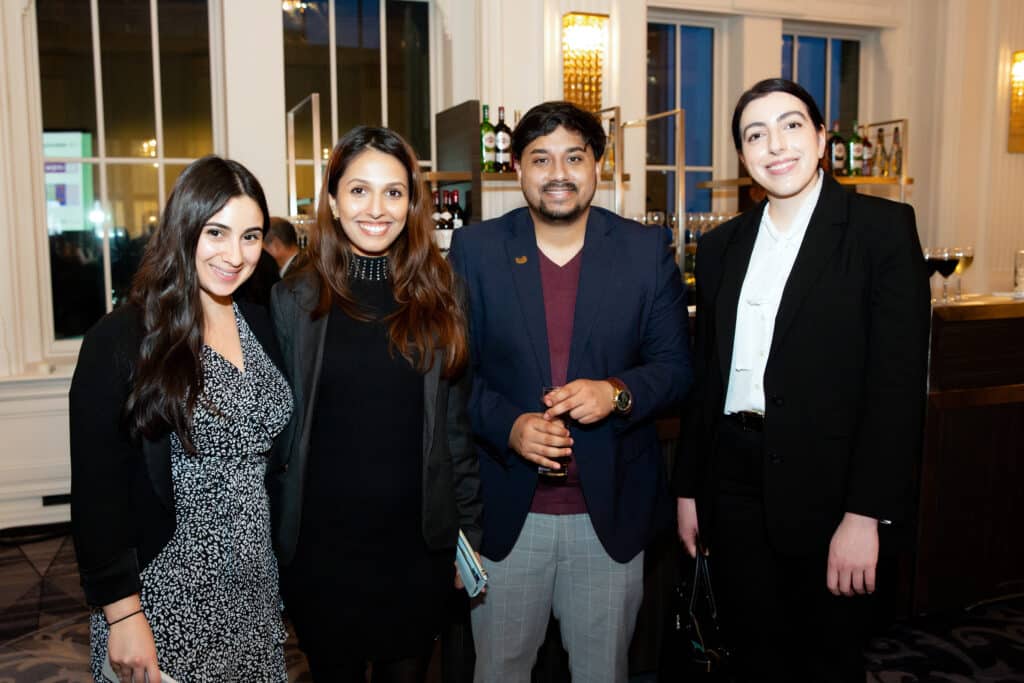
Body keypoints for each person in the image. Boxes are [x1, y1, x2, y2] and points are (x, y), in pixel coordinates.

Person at [673, 78, 930, 682]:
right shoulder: (720, 248)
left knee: (826, 659)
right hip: (732, 480)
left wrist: (866, 516)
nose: (775, 145)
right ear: (742, 155)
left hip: (831, 488)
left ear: (820, 139)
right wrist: (689, 489)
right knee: (750, 653)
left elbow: (895, 389)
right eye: (755, 134)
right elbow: (706, 382)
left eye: (791, 126)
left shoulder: (880, 231)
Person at [448, 101, 692, 683]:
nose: (558, 172)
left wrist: (617, 393)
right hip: (509, 516)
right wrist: (509, 426)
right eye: (541, 158)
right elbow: (453, 376)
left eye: (574, 157)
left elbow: (676, 368)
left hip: (608, 519)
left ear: (599, 166)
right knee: (499, 672)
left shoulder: (643, 250)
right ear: (516, 167)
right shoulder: (476, 251)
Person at [268, 126, 482, 683]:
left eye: (393, 192)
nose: (377, 208)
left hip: (414, 551)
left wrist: (469, 537)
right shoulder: (295, 297)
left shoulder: (442, 291)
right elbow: (277, 436)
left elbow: (454, 427)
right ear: (334, 202)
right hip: (321, 552)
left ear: (412, 203)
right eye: (359, 190)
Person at [69, 155, 293, 683]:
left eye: (251, 236)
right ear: (183, 227)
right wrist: (123, 614)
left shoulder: (260, 321)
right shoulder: (122, 339)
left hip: (255, 592)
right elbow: (97, 493)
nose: (235, 255)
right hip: (164, 596)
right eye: (216, 232)